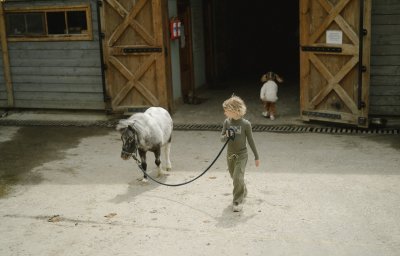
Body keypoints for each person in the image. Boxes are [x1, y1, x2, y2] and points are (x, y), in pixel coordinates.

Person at [221, 95, 260, 212]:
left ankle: (237, 201)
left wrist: (256, 157)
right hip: (230, 154)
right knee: (234, 176)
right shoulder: (227, 122)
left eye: (226, 111)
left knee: (238, 177)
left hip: (242, 154)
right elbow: (221, 138)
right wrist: (226, 135)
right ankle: (243, 190)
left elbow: (251, 141)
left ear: (235, 110)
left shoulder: (245, 124)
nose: (224, 113)